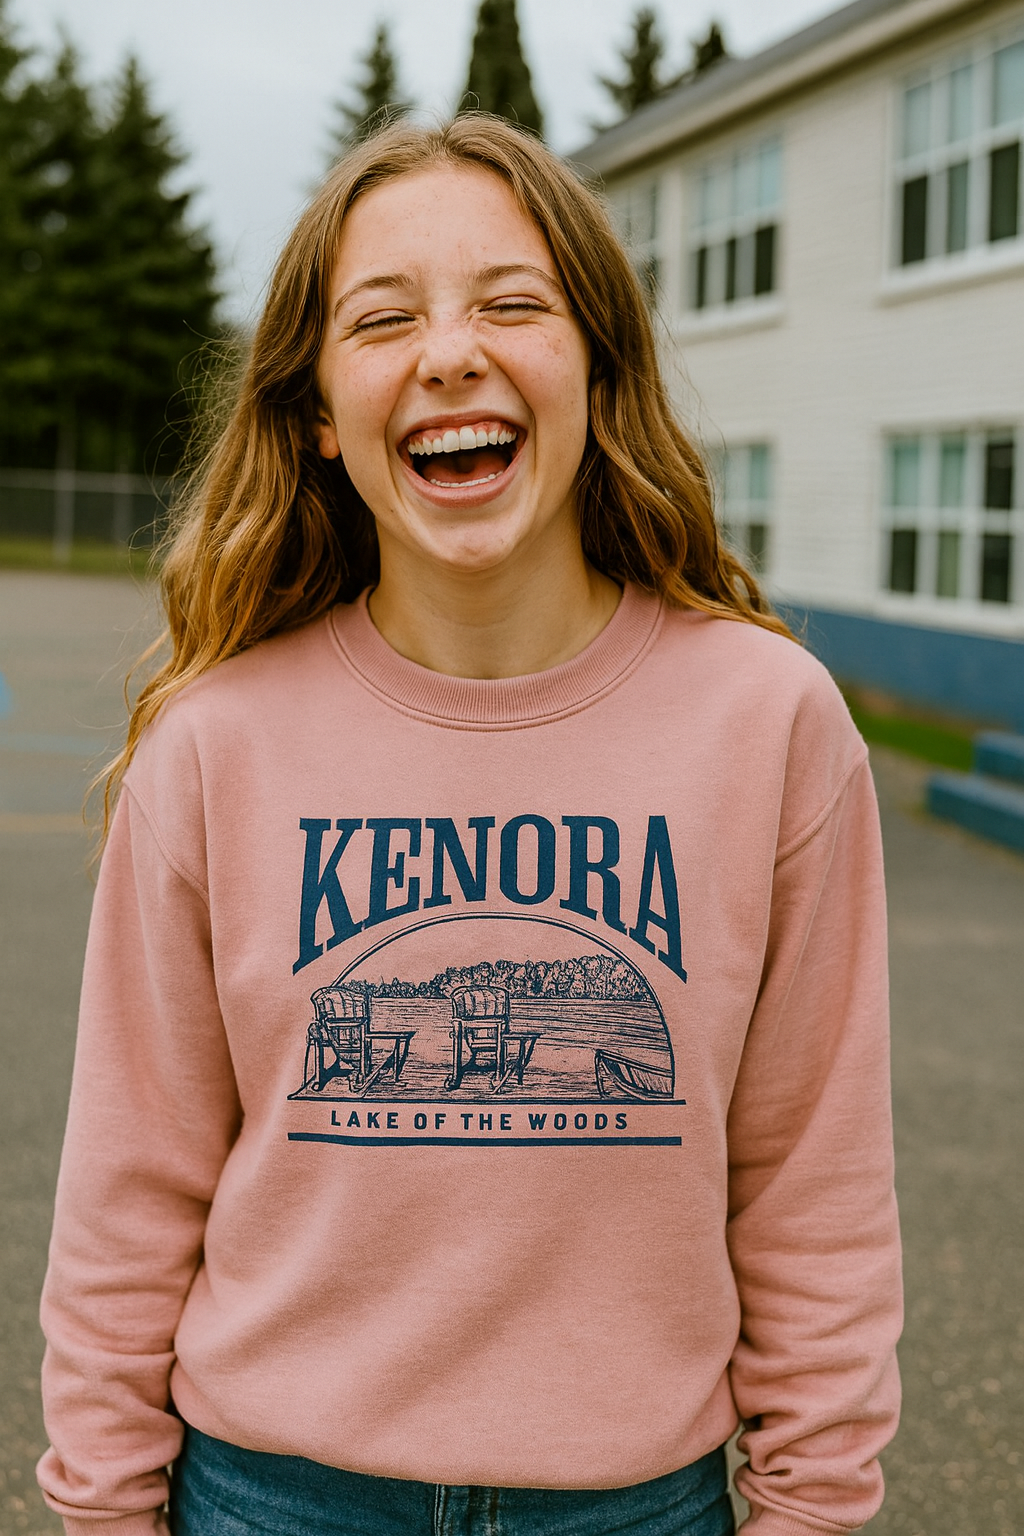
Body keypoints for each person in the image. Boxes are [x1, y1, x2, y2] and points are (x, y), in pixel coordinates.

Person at [37, 115, 902, 1536]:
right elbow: (127, 1199)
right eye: (384, 319)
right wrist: (104, 1509)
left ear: (596, 367)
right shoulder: (213, 748)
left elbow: (816, 1186)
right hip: (269, 1498)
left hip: (639, 1506)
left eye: (513, 304)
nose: (451, 351)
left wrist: (809, 1506)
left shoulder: (772, 723)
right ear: (317, 409)